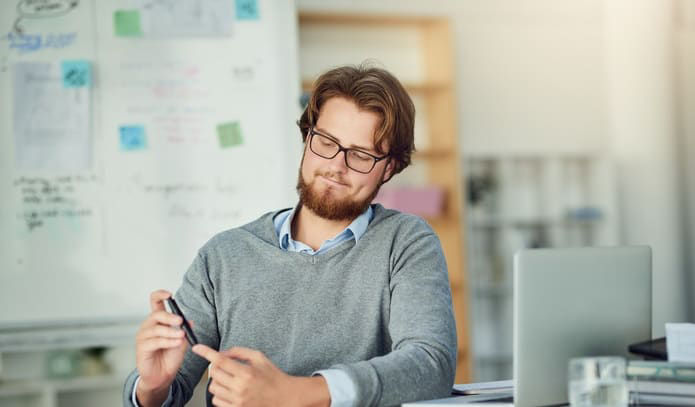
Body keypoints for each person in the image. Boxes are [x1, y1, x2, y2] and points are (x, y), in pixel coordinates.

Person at [122, 64, 457, 407]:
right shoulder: (223, 256)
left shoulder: (406, 243)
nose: (336, 166)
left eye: (360, 155)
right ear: (307, 136)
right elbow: (168, 391)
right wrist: (152, 386)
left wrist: (296, 394)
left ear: (389, 168)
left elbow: (431, 365)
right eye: (327, 141)